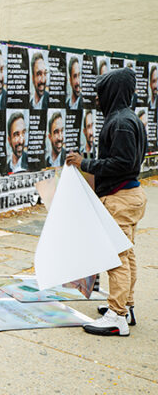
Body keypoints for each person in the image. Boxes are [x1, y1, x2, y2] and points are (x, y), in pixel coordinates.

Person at [66, 68, 147, 337]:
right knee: (127, 253)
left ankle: (117, 317)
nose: (98, 100)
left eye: (101, 94)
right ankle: (126, 306)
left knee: (117, 258)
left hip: (121, 199)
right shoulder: (128, 119)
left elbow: (122, 163)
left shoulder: (121, 123)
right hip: (129, 196)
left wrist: (84, 163)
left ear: (112, 92)